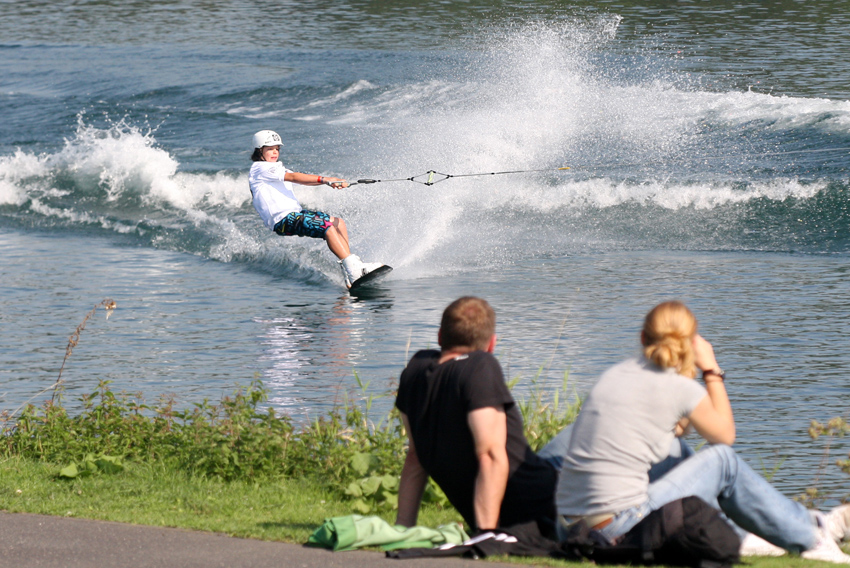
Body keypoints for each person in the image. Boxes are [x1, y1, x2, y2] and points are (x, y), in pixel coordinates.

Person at [555, 300, 850, 563]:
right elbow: (724, 437)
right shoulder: (677, 388)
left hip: (573, 524)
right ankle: (813, 536)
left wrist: (682, 372)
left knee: (678, 452)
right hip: (616, 527)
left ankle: (745, 535)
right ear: (692, 343)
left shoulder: (617, 375)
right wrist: (711, 370)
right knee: (722, 461)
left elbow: (676, 432)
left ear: (643, 337)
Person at [394, 296, 571, 538]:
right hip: (547, 509)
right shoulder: (480, 366)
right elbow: (489, 455)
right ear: (492, 344)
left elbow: (416, 457)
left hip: (532, 480)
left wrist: (402, 531)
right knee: (593, 428)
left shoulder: (414, 372)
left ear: (439, 337)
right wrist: (487, 535)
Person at [248, 130, 382, 288]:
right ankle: (354, 270)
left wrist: (331, 182)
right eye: (270, 149)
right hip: (282, 219)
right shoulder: (260, 168)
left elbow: (303, 180)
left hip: (295, 215)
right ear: (259, 151)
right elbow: (294, 177)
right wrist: (325, 179)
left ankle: (350, 270)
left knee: (338, 223)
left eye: (277, 148)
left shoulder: (276, 169)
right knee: (328, 227)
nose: (275, 152)